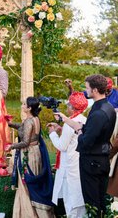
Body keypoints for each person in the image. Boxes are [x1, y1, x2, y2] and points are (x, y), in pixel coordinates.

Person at [56, 74, 116, 217]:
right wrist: (66, 120)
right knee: (99, 201)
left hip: (92, 163)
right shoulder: (108, 107)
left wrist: (79, 134)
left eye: (87, 87)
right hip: (101, 158)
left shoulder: (99, 113)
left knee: (93, 203)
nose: (85, 90)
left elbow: (86, 140)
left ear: (95, 90)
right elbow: (87, 128)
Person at [7, 97, 54, 218]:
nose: (21, 106)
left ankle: (27, 214)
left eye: (23, 104)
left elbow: (25, 142)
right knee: (34, 183)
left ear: (28, 108)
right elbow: (24, 128)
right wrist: (10, 124)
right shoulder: (34, 118)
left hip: (29, 154)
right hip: (36, 152)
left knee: (26, 184)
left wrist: (11, 146)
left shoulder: (29, 121)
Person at [47, 92, 88, 218]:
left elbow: (62, 146)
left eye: (68, 105)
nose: (66, 108)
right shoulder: (84, 119)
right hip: (80, 165)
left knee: (71, 203)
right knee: (80, 200)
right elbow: (73, 137)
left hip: (69, 168)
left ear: (72, 107)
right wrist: (60, 129)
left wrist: (52, 133)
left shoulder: (70, 123)